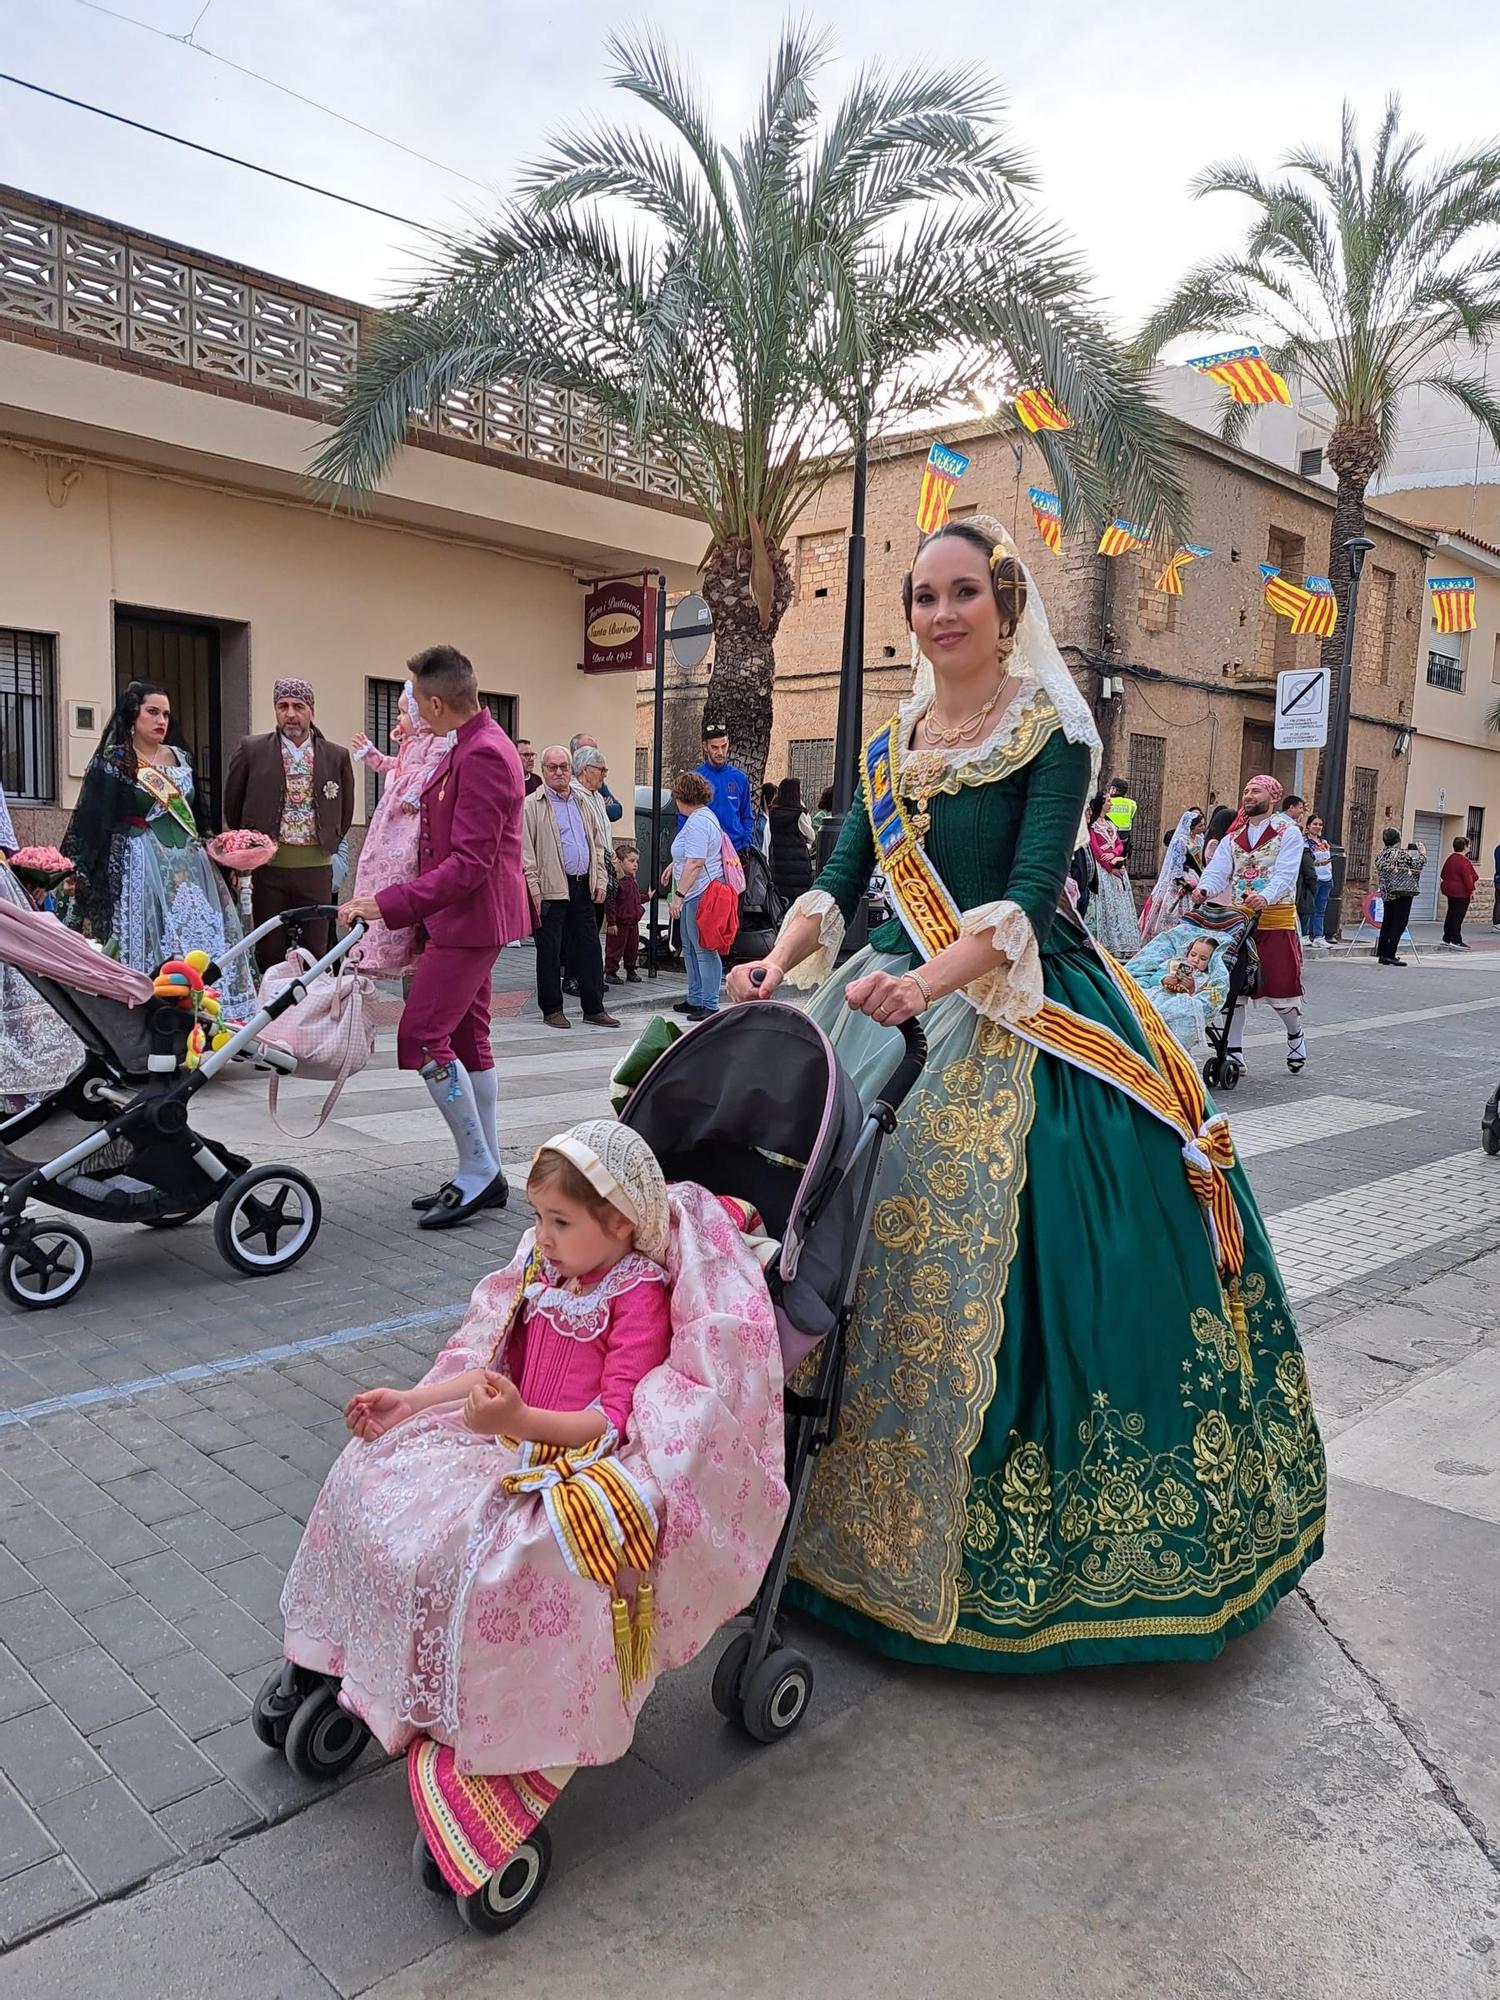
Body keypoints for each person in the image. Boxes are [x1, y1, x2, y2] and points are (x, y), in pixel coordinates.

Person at [727, 513, 1324, 1673]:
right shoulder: (892, 743)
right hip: (882, 989)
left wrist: (926, 985)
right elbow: (844, 879)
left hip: (1009, 998)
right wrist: (779, 956)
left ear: (1004, 606)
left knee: (1039, 1264)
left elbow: (1031, 891)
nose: (941, 614)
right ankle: (798, 1513)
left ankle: (1015, 1573)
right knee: (810, 1215)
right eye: (923, 595)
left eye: (963, 592)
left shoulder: (1051, 731)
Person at [277, 1119, 787, 1785]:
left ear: (623, 1224)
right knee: (372, 1480)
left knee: (473, 1552)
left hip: (562, 1455)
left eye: (560, 1222)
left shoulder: (636, 1296)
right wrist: (413, 1401)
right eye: (539, 1218)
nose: (541, 1238)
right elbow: (496, 1370)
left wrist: (517, 1417)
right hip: (508, 1438)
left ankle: (481, 1709)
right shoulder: (548, 1275)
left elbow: (610, 1420)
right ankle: (373, 1663)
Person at [339, 646, 530, 1229]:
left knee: (423, 1035)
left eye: (416, 700)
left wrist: (388, 904)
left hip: (471, 920)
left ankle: (478, 1170)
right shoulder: (468, 745)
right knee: (468, 1039)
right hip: (461, 918)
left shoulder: (484, 754)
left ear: (437, 702)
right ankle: (485, 1166)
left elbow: (469, 863)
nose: (412, 711)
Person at [61, 681, 257, 1019]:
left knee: (200, 930)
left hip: (191, 865)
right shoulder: (116, 761)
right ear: (133, 714)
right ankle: (153, 1010)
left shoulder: (181, 758)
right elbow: (95, 818)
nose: (161, 720)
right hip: (141, 860)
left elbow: (198, 815)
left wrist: (224, 855)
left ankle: (209, 1010)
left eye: (166, 714)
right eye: (152, 712)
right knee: (154, 934)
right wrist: (78, 868)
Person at [223, 677, 355, 970]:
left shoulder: (336, 756)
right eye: (283, 706)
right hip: (269, 868)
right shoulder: (252, 750)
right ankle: (271, 1010)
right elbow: (233, 805)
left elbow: (345, 812)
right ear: (275, 710)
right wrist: (250, 852)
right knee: (269, 947)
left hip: (316, 867)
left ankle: (310, 1011)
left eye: (299, 706)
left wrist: (327, 844)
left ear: (312, 712)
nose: (291, 714)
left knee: (315, 948)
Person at [1196, 774, 1308, 1074]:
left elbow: (1286, 874)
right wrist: (1204, 888)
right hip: (1240, 920)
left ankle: (1295, 1033)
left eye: (1255, 791)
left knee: (1281, 988)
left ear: (1272, 797)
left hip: (1275, 917)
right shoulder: (1234, 838)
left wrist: (1266, 896)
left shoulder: (1288, 833)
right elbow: (1218, 869)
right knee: (1235, 988)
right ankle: (1234, 1051)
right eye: (1245, 790)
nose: (1248, 795)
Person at [346, 682, 453, 975]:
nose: (398, 719)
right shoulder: (410, 745)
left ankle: (397, 937)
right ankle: (375, 943)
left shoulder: (439, 742)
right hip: (391, 818)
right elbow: (394, 765)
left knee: (402, 865)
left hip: (409, 820)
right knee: (375, 865)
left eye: (404, 712)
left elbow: (432, 770)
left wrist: (413, 793)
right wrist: (371, 754)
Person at [523, 746, 619, 1032]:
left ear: (571, 769)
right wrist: (534, 888)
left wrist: (600, 879)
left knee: (590, 948)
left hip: (582, 885)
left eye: (564, 766)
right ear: (543, 770)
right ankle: (552, 1009)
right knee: (550, 951)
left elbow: (597, 844)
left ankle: (594, 1008)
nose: (559, 772)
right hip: (551, 888)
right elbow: (526, 851)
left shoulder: (583, 801)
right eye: (552, 767)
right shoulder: (532, 804)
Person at [669, 770, 726, 1022]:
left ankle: (709, 1002)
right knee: (691, 948)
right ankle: (696, 997)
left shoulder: (698, 822)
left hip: (699, 892)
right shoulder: (703, 818)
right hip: (698, 891)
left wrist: (678, 896)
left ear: (683, 796)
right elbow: (690, 855)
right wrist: (674, 864)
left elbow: (695, 861)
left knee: (702, 949)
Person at [1083, 792, 1140, 956]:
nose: (1111, 804)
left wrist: (1115, 854)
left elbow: (1119, 844)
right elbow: (1094, 848)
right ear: (1101, 804)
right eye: (1108, 801)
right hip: (1102, 871)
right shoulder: (1092, 826)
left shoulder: (1110, 823)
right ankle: (1105, 941)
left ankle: (1123, 942)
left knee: (1120, 904)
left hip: (1116, 866)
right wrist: (1110, 866)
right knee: (1105, 905)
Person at [1139, 807, 1204, 941]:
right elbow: (1175, 867)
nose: (1203, 827)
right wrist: (1184, 884)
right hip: (1181, 879)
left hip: (1195, 875)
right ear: (1192, 827)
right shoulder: (1180, 841)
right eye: (1200, 825)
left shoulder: (1199, 839)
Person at [687, 722, 754, 854]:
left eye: (724, 746)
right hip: (705, 851)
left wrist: (746, 842)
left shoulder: (740, 778)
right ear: (705, 747)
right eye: (715, 747)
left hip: (736, 850)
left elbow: (747, 815)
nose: (720, 752)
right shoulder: (695, 778)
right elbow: (685, 816)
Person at [1374, 828, 1425, 967]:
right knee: (1399, 923)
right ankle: (1390, 954)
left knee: (1387, 922)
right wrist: (1422, 854)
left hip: (1387, 891)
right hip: (1402, 891)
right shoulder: (1401, 854)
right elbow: (1417, 866)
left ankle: (1383, 953)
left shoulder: (1380, 855)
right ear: (1397, 839)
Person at [767, 777, 815, 904]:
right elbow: (812, 836)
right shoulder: (799, 814)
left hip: (779, 865)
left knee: (783, 899)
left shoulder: (773, 812)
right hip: (798, 868)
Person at [605, 841, 645, 985]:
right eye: (631, 861)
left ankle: (631, 969)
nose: (635, 865)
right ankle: (610, 971)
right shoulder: (618, 882)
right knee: (615, 947)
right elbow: (611, 903)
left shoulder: (632, 881)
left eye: (637, 861)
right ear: (621, 862)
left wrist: (647, 897)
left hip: (633, 922)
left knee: (632, 947)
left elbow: (635, 898)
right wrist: (612, 922)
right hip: (620, 922)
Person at [569, 734, 623, 821]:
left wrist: (598, 807)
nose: (594, 754)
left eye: (595, 750)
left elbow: (618, 810)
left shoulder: (596, 783)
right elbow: (580, 814)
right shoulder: (567, 784)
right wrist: (600, 807)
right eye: (588, 750)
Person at [1440, 835, 1479, 949]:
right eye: (1469, 845)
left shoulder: (1450, 858)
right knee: (1458, 916)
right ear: (1465, 847)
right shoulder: (1464, 861)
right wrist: (1472, 890)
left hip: (1449, 890)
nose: (1470, 847)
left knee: (1451, 913)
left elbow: (1443, 874)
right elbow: (1468, 877)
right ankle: (1456, 939)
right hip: (1461, 892)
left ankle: (1447, 937)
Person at [1302, 814, 1333, 948]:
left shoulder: (1324, 843)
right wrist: (1316, 863)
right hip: (1314, 878)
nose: (1317, 827)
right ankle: (1304, 934)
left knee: (1320, 909)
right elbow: (1305, 861)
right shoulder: (1305, 842)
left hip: (1326, 877)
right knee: (1309, 907)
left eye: (1320, 824)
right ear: (1308, 826)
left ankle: (1318, 936)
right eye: (1315, 824)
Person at [1104, 775, 1137, 860]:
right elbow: (1131, 817)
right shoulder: (1132, 804)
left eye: (1111, 788)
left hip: (1106, 840)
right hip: (1123, 842)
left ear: (1114, 790)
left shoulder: (1106, 802)